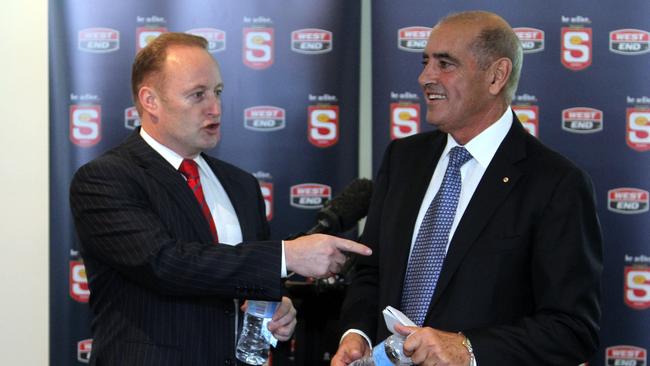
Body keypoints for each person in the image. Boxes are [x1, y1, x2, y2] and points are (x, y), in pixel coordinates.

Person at [69, 32, 371, 366]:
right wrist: (285, 256)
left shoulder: (240, 185)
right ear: (150, 100)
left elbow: (241, 277)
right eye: (197, 95)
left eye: (217, 92)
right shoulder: (106, 178)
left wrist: (277, 306)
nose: (215, 108)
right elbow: (166, 264)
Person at [332, 11, 602, 366]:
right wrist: (358, 334)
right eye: (425, 62)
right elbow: (371, 271)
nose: (425, 77)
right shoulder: (403, 158)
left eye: (445, 64)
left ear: (496, 76)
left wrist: (468, 348)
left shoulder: (557, 184)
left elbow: (572, 328)